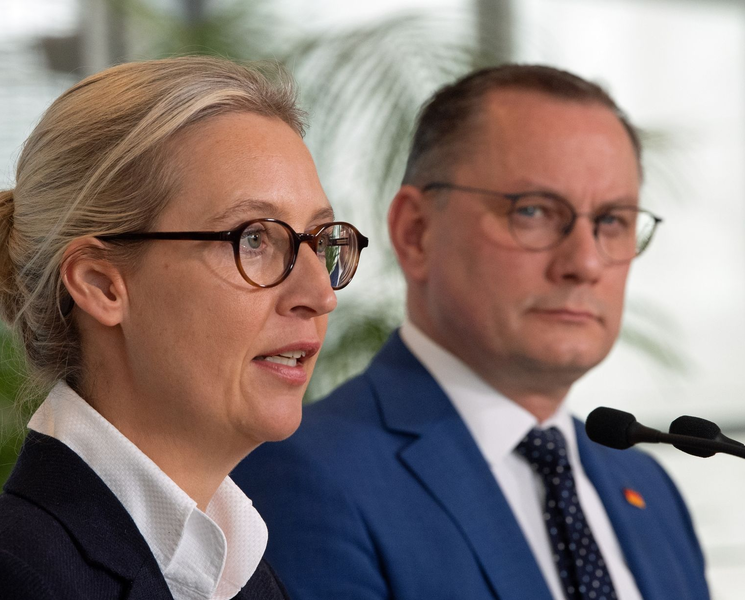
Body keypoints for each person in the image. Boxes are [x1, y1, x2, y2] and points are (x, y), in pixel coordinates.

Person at [233, 64, 710, 599]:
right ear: (416, 233)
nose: (584, 263)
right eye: (533, 212)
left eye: (613, 222)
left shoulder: (650, 488)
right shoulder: (303, 476)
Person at [0, 56, 368, 599]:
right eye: (255, 239)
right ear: (101, 285)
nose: (320, 295)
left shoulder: (245, 578)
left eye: (318, 239)